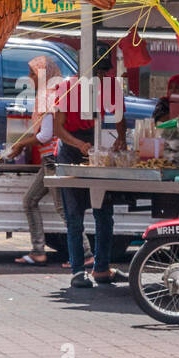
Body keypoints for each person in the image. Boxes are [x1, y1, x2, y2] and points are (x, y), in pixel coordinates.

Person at [55, 62, 127, 289]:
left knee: (104, 213)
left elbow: (119, 116)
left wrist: (121, 137)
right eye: (101, 72)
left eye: (106, 73)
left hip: (95, 144)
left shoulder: (110, 86)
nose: (104, 76)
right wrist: (79, 145)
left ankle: (102, 267)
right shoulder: (67, 88)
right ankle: (77, 270)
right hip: (70, 147)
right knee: (75, 217)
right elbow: (58, 128)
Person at [3, 56, 63, 266]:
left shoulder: (48, 96)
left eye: (32, 73)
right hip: (49, 160)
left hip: (53, 160)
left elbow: (45, 135)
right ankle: (38, 251)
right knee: (30, 201)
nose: (30, 78)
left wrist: (20, 144)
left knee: (63, 209)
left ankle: (86, 254)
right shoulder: (53, 93)